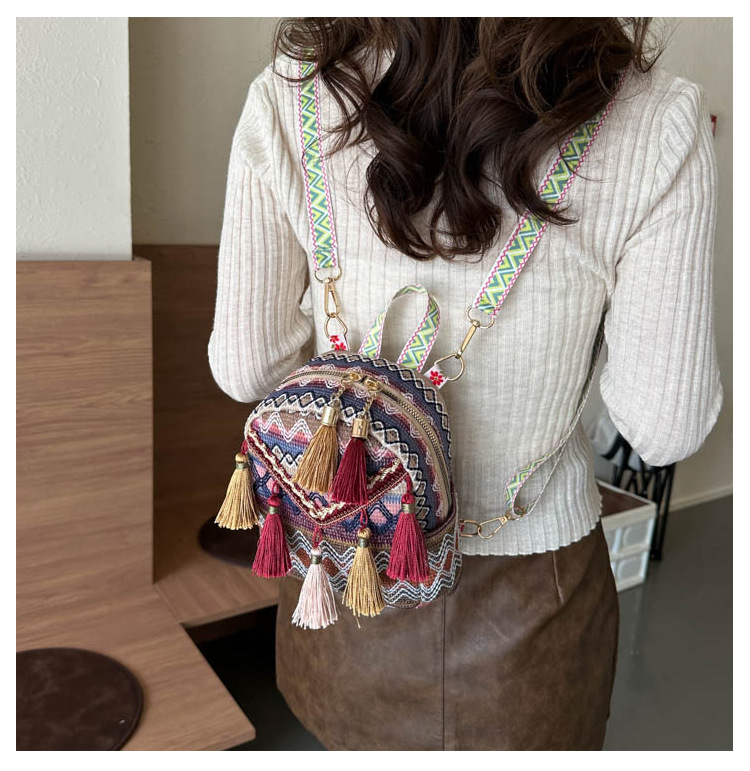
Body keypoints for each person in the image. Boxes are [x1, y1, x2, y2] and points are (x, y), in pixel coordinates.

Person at [208, 18, 723, 750]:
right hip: (531, 592)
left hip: (346, 560)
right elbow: (664, 426)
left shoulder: (294, 91)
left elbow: (246, 367)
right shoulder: (657, 118)